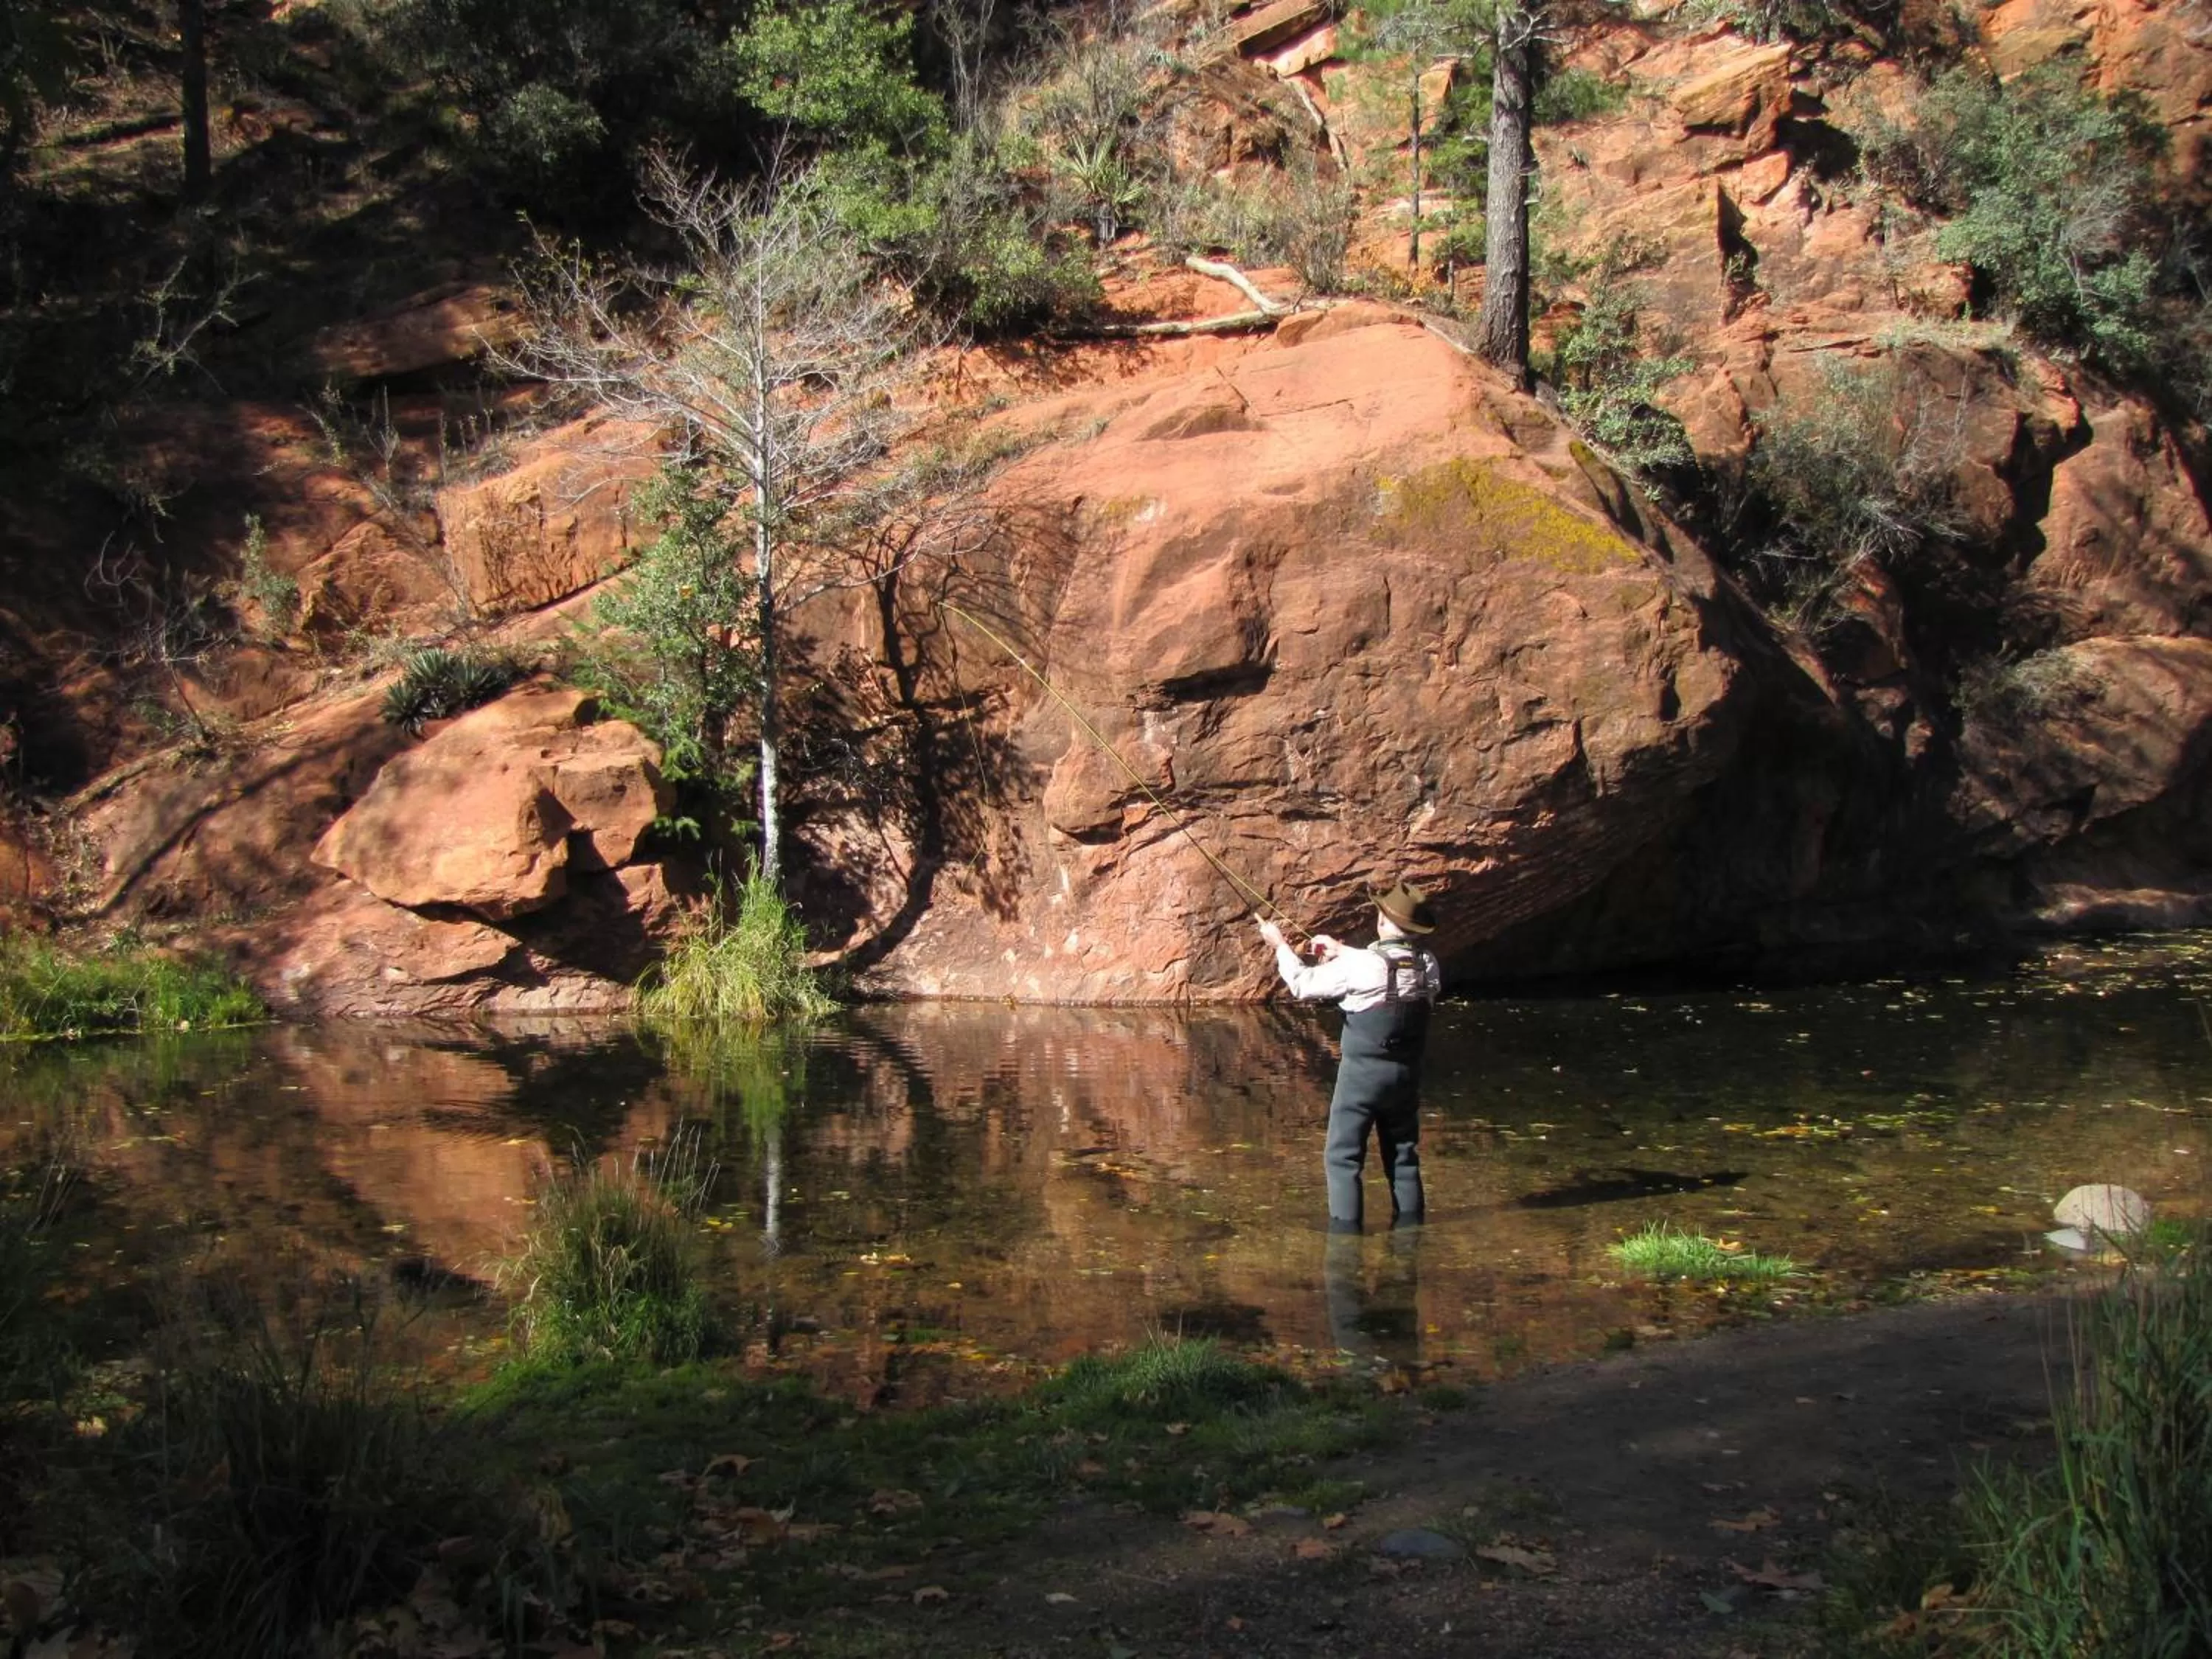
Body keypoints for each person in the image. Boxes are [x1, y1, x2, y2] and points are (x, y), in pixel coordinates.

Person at [1257, 881, 1443, 1231]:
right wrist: (1342, 950)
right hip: (1406, 1077)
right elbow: (1386, 965)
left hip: (1361, 1079)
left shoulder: (1362, 967)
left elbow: (1301, 984)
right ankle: (1410, 1242)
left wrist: (1279, 944)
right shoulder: (1428, 965)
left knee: (1342, 1160)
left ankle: (1345, 1245)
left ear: (1385, 922)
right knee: (1404, 1158)